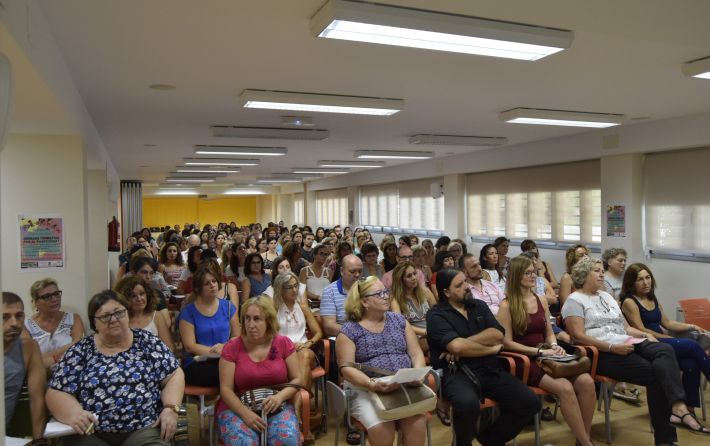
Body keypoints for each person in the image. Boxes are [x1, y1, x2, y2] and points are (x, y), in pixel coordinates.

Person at [562, 256, 710, 442]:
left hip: (626, 341)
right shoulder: (574, 300)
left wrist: (644, 334)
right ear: (584, 275)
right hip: (604, 353)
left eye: (601, 270)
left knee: (664, 349)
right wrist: (612, 347)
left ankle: (678, 404)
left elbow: (625, 327)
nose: (602, 274)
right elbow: (578, 336)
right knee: (656, 374)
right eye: (597, 271)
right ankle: (666, 438)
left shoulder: (607, 297)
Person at [46, 290, 184, 445]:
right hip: (91, 432)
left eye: (119, 313)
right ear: (94, 323)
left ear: (127, 314)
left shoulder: (147, 342)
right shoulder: (81, 350)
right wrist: (74, 413)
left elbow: (173, 375)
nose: (113, 319)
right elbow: (56, 391)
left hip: (144, 427)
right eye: (105, 316)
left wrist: (171, 408)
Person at [426, 269, 541, 446]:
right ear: (446, 292)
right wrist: (490, 350)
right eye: (459, 285)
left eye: (465, 281)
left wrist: (463, 345)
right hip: (456, 373)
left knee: (530, 402)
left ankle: (490, 439)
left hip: (489, 369)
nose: (466, 287)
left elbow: (497, 334)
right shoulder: (436, 315)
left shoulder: (478, 305)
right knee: (467, 405)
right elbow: (456, 347)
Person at [497, 257, 595, 446]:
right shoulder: (506, 305)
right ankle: (586, 443)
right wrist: (539, 353)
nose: (533, 275)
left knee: (587, 382)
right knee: (565, 388)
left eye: (534, 271)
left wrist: (553, 345)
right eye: (528, 272)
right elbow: (507, 343)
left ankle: (583, 437)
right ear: (517, 276)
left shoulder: (541, 299)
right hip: (524, 359)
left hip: (545, 354)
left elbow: (549, 333)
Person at [337, 276, 428, 446]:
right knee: (382, 428)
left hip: (402, 387)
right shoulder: (349, 330)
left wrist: (418, 374)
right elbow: (346, 369)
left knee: (417, 425)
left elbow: (416, 354)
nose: (386, 296)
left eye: (386, 291)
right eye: (379, 294)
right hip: (366, 390)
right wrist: (371, 384)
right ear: (364, 301)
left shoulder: (399, 321)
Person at [620, 262, 710, 419]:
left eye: (648, 277)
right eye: (640, 279)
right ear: (632, 283)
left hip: (663, 340)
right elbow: (642, 330)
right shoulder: (629, 301)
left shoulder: (652, 297)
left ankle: (688, 410)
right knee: (693, 345)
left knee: (691, 364)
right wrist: (669, 338)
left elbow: (667, 323)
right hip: (648, 344)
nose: (646, 282)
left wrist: (692, 325)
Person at [216, 296, 302, 446]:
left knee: (286, 440)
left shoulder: (283, 343)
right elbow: (226, 390)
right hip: (237, 406)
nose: (251, 324)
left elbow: (297, 380)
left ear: (268, 321)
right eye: (247, 319)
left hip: (276, 404)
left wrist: (280, 397)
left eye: (257, 319)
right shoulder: (232, 347)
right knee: (245, 443)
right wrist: (245, 414)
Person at [179, 265, 240, 386]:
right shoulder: (188, 312)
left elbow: (236, 338)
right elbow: (190, 346)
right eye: (207, 283)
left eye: (214, 281)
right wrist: (217, 352)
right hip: (198, 361)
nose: (212, 285)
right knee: (226, 373)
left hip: (226, 357)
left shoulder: (228, 307)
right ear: (198, 288)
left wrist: (224, 349)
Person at [272, 272, 322, 409]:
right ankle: (301, 401)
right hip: (282, 353)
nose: (294, 290)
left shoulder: (303, 307)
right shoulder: (273, 309)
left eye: (296, 286)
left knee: (305, 355)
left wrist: (308, 343)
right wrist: (288, 345)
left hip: (304, 349)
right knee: (300, 359)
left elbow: (318, 332)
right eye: (289, 287)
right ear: (280, 289)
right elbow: (270, 335)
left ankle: (295, 409)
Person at [4, 292, 47, 442]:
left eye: (19, 316)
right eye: (5, 317)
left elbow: (37, 399)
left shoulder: (29, 348)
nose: (14, 323)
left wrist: (38, 441)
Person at [24, 278, 85, 368]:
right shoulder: (26, 326)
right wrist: (57, 356)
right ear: (35, 302)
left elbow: (80, 348)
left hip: (70, 372)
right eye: (47, 296)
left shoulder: (74, 318)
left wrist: (44, 358)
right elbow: (28, 360)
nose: (54, 299)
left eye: (56, 294)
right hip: (40, 375)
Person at [114, 276, 174, 351]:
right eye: (133, 296)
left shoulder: (157, 316)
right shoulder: (118, 320)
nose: (139, 299)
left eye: (142, 294)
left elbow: (169, 348)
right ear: (124, 299)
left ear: (147, 294)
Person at [389, 262, 436, 354]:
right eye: (409, 276)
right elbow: (399, 324)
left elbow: (437, 313)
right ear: (401, 280)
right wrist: (426, 332)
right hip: (413, 335)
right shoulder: (395, 299)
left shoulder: (425, 291)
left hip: (432, 331)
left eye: (414, 273)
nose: (414, 278)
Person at [320, 254, 363, 337]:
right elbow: (329, 327)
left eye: (360, 271)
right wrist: (358, 332)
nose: (357, 275)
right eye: (352, 271)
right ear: (342, 271)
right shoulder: (330, 291)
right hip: (344, 338)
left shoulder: (368, 289)